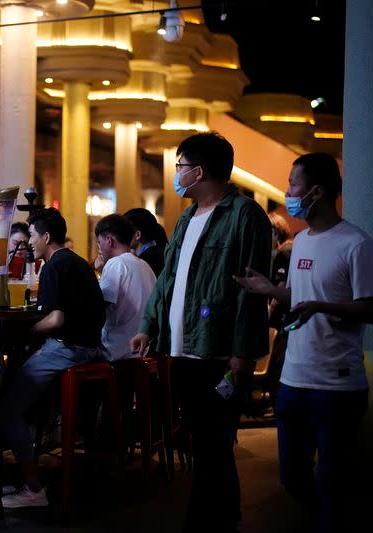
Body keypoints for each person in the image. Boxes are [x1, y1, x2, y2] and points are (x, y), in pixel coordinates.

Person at [129, 132, 271, 532]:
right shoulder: (186, 218)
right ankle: (221, 515)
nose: (177, 173)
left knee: (215, 444)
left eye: (179, 166)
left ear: (200, 170)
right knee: (201, 441)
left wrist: (242, 353)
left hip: (218, 351)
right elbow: (167, 280)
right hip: (181, 349)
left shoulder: (245, 216)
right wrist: (148, 326)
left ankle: (209, 520)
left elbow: (251, 288)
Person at [233, 153, 373, 533]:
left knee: (333, 482)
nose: (287, 191)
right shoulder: (301, 243)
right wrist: (270, 290)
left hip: (337, 386)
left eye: (293, 184)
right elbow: (298, 297)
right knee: (292, 477)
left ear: (316, 191)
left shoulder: (356, 244)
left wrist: (321, 306)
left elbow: (369, 308)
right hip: (293, 380)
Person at [0, 208, 105, 508]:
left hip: (69, 348)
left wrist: (26, 330)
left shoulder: (55, 266)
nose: (29, 242)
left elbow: (56, 320)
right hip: (91, 346)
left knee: (7, 406)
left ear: (46, 236)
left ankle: (34, 489)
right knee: (22, 376)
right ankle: (32, 441)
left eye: (32, 235)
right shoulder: (75, 261)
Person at [94, 214, 157, 362]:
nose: (98, 248)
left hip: (118, 350)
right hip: (145, 348)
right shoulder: (143, 264)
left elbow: (100, 308)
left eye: (99, 242)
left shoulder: (115, 263)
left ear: (109, 240)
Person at [265, 211, 294, 403]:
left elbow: (280, 287)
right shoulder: (293, 248)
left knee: (276, 371)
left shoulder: (284, 252)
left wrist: (269, 311)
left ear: (275, 231)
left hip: (286, 321)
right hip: (292, 321)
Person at [123, 207, 168, 277]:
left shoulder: (146, 261)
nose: (121, 236)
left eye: (124, 231)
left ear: (137, 235)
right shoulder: (158, 251)